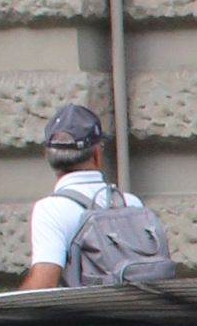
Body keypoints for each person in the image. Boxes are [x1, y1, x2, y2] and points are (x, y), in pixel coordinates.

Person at [20, 98, 171, 289]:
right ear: (97, 154)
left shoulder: (51, 210)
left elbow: (44, 283)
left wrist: (7, 316)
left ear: (49, 158)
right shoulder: (131, 203)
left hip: (88, 318)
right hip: (139, 316)